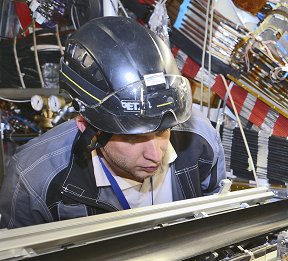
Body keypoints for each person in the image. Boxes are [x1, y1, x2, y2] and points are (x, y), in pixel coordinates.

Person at [0, 16, 225, 228]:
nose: (156, 155)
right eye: (134, 137)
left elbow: (215, 219)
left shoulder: (201, 141)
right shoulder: (34, 181)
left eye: (163, 131)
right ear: (88, 129)